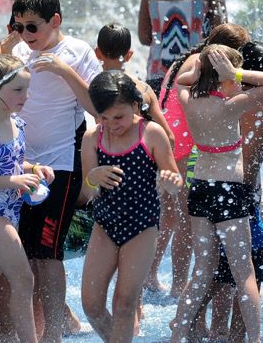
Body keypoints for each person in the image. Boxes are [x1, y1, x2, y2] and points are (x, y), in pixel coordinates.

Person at [170, 44, 263, 342]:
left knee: (202, 271)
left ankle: (177, 334)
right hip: (229, 191)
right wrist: (234, 72)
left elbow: (180, 81)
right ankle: (255, 339)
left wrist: (198, 70)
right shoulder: (230, 105)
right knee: (243, 270)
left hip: (201, 188)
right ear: (223, 75)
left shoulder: (189, 100)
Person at [10, 0, 101, 341]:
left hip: (60, 167)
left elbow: (97, 108)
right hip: (20, 167)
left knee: (48, 252)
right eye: (18, 27)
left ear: (55, 21)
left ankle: (55, 333)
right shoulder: (19, 50)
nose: (25, 35)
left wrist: (65, 71)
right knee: (24, 253)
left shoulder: (76, 52)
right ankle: (32, 328)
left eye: (32, 27)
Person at [79, 71, 182, 342]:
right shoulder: (92, 139)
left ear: (136, 106)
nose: (112, 124)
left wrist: (170, 180)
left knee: (124, 305)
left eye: (119, 116)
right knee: (91, 305)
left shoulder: (151, 133)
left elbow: (175, 182)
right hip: (105, 226)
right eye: (104, 117)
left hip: (142, 228)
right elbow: (86, 192)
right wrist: (93, 177)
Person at [150, 24, 250, 298]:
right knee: (184, 219)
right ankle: (179, 285)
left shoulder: (188, 58)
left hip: (170, 141)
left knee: (169, 216)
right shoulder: (202, 64)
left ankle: (150, 274)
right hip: (185, 146)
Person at [0, 55, 52, 342]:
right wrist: (14, 181)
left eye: (27, 90)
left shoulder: (17, 123)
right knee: (23, 277)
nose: (25, 97)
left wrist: (35, 169)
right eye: (18, 90)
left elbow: (15, 162)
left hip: (10, 209)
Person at [94, 22, 174, 144]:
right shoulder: (144, 88)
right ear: (129, 55)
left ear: (97, 53)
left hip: (108, 157)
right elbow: (169, 136)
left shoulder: (93, 90)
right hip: (140, 154)